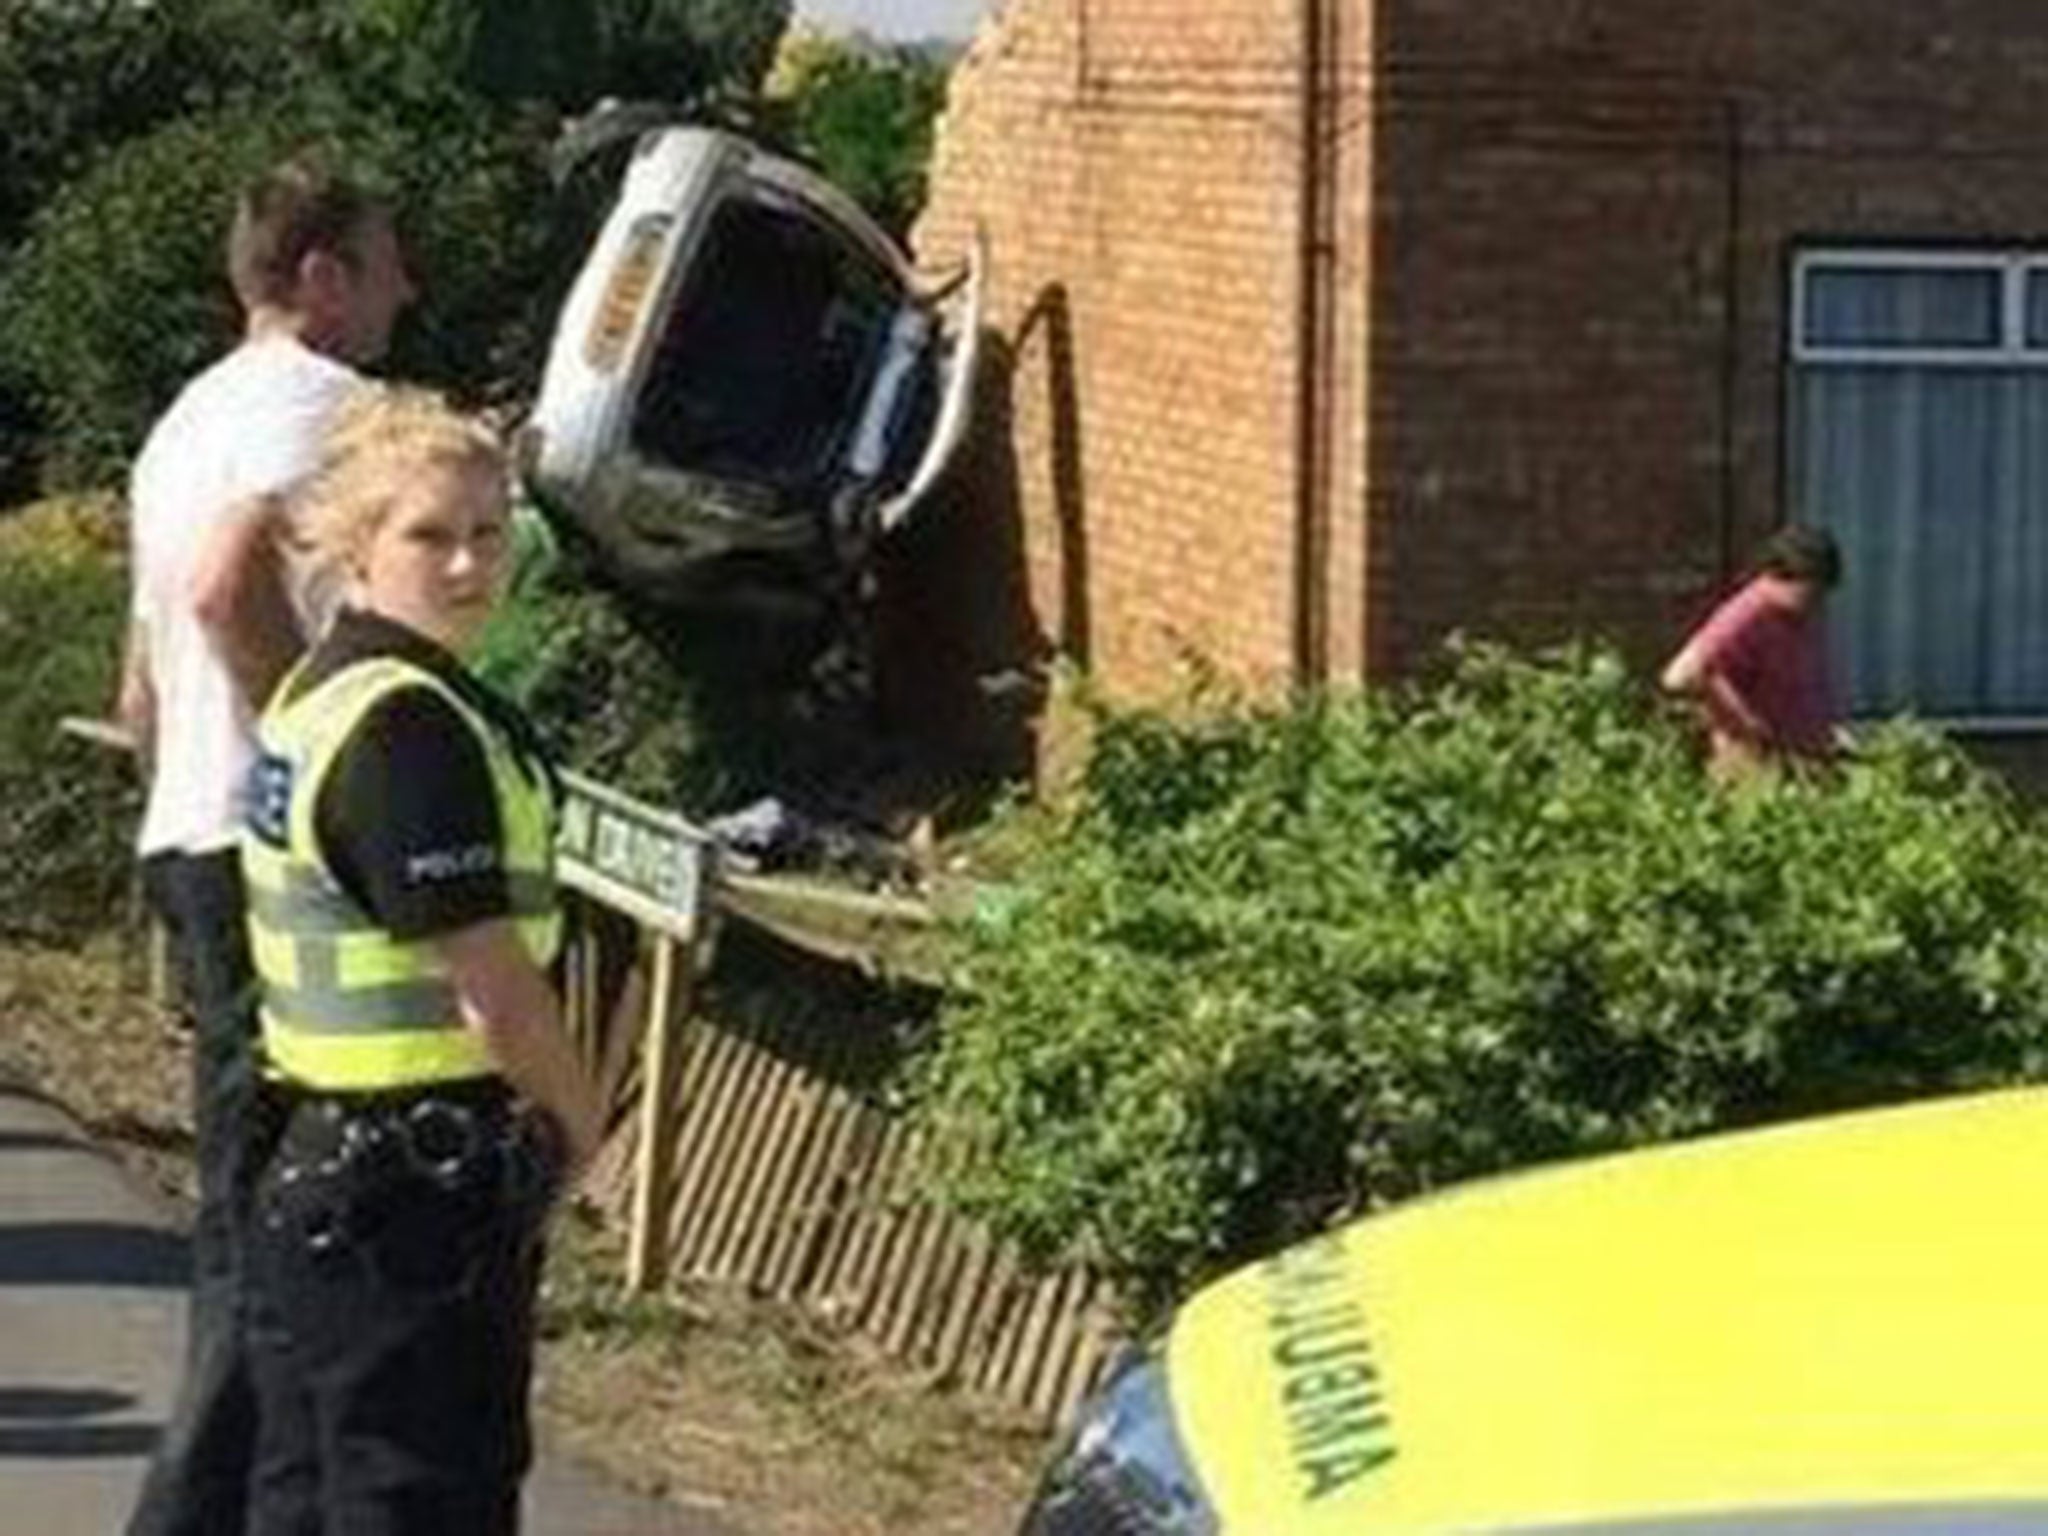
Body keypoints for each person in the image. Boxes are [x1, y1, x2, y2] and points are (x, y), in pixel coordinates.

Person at [239, 387, 604, 1534]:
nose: (465, 565)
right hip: (412, 1185)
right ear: (354, 547)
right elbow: (489, 980)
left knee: (312, 1496)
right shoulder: (406, 728)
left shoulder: (322, 696)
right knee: (420, 1501)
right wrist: (579, 1123)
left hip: (327, 1169)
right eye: (427, 535)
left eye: (488, 533)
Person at [115, 154, 416, 1536]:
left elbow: (139, 684)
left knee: (260, 1210)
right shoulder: (326, 409)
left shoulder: (184, 420)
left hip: (191, 825)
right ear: (319, 277)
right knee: (274, 1232)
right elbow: (229, 582)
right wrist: (319, 750)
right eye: (384, 258)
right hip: (267, 850)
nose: (406, 286)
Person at [1659, 525, 1843, 778]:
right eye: (1812, 590)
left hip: (1802, 764)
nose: (1818, 600)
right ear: (1783, 575)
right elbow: (1681, 675)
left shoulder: (1794, 616)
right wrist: (1747, 724)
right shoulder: (1747, 612)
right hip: (1757, 770)